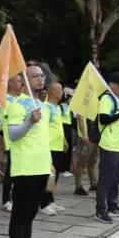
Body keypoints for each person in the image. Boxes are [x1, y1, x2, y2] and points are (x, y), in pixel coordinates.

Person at [6, 64, 55, 238]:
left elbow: (43, 138)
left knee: (31, 213)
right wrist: (28, 121)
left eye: (42, 75)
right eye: (35, 76)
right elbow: (13, 134)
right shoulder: (17, 104)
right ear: (25, 80)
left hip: (41, 166)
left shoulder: (41, 105)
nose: (40, 79)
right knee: (20, 213)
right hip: (25, 168)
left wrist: (50, 162)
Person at [94, 72, 119, 224]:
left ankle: (113, 205)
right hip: (108, 144)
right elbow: (103, 119)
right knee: (105, 178)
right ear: (112, 85)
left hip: (118, 144)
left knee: (116, 177)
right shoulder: (106, 99)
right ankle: (101, 210)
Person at [0, 74, 24, 211]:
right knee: (10, 172)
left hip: (21, 140)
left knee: (18, 172)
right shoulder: (4, 100)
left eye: (20, 81)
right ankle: (6, 199)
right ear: (10, 83)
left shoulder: (21, 100)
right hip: (10, 140)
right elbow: (1, 121)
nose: (20, 83)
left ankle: (16, 197)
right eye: (17, 81)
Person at [41, 81, 68, 215]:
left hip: (58, 146)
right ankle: (43, 203)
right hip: (49, 146)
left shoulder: (57, 107)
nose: (62, 93)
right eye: (60, 90)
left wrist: (64, 140)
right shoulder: (46, 107)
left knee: (55, 175)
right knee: (49, 176)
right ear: (52, 92)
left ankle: (50, 200)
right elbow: (44, 128)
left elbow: (58, 126)